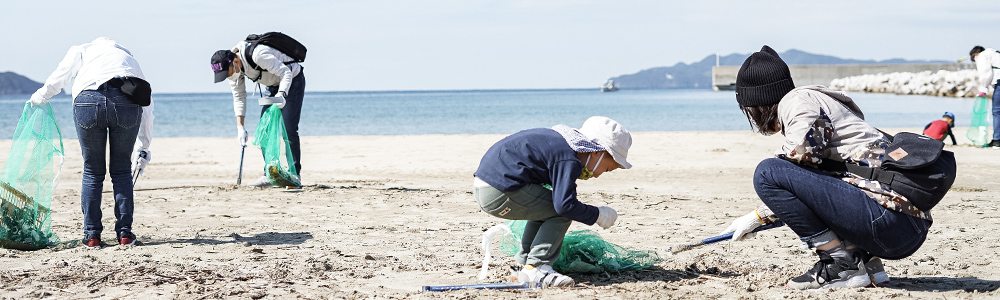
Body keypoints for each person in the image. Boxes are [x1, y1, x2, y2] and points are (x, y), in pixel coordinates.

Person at [721, 46, 932, 290]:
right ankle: (868, 265)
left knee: (768, 172)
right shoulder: (821, 101)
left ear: (759, 103)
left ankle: (842, 264)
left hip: (890, 223)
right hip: (902, 224)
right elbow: (815, 184)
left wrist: (758, 217)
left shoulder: (798, 103)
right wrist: (761, 217)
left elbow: (794, 170)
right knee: (815, 175)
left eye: (748, 109)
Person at [473, 116, 631, 288]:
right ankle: (538, 269)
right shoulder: (568, 158)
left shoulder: (561, 145)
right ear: (596, 152)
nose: (598, 175)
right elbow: (565, 205)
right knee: (561, 213)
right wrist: (598, 215)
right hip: (499, 192)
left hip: (486, 187)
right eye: (606, 169)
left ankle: (521, 266)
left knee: (544, 210)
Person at [28, 37, 154, 248]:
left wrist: (41, 97)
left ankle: (92, 236)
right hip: (126, 104)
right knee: (122, 170)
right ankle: (124, 234)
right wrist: (144, 145)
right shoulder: (129, 60)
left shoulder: (82, 50)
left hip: (88, 100)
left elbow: (61, 76)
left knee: (92, 171)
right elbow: (147, 104)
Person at [211, 36, 305, 187]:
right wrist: (240, 127)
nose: (228, 77)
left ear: (235, 62)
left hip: (292, 80)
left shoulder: (258, 55)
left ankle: (295, 174)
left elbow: (286, 72)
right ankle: (270, 174)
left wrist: (282, 94)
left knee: (289, 128)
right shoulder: (233, 69)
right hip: (271, 84)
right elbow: (239, 97)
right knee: (264, 131)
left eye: (227, 73)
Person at [969, 46, 1000, 148]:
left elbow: (986, 73)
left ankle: (997, 140)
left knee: (997, 112)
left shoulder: (982, 56)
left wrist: (983, 89)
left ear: (975, 54)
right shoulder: (995, 53)